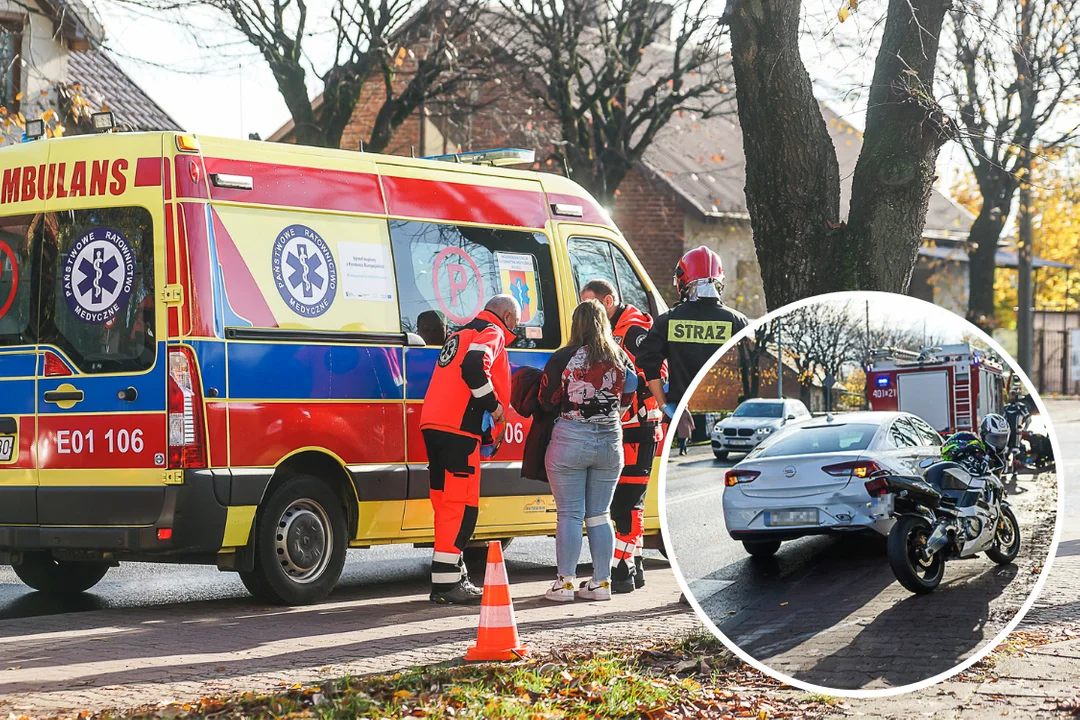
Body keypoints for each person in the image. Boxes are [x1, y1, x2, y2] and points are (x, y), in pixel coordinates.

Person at [419, 294, 521, 604]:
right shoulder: (491, 332)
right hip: (458, 431)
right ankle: (449, 585)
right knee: (462, 506)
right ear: (505, 315)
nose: (515, 328)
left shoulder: (460, 333)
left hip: (434, 425)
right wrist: (494, 407)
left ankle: (446, 577)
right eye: (515, 321)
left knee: (444, 503)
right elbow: (475, 366)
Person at [539, 299, 637, 603]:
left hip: (570, 438)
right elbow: (631, 394)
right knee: (599, 514)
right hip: (610, 442)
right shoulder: (621, 357)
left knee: (569, 513)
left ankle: (565, 584)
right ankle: (601, 583)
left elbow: (545, 399)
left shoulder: (564, 357)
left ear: (575, 324)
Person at [580, 279, 664, 593]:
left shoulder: (633, 331)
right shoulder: (611, 333)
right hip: (623, 428)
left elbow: (655, 374)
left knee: (627, 504)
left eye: (592, 304)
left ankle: (621, 569)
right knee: (624, 504)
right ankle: (634, 565)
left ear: (610, 301)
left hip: (639, 428)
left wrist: (624, 392)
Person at [637, 246, 749, 419]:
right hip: (726, 416)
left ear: (682, 281)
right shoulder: (738, 322)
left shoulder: (668, 320)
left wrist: (664, 405)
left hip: (681, 414)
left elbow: (648, 362)